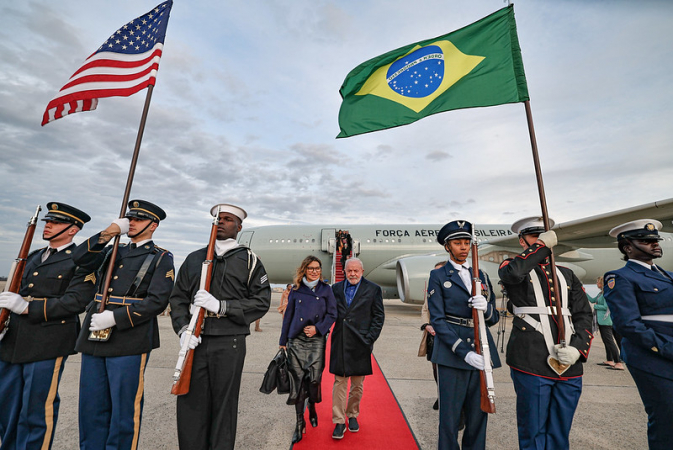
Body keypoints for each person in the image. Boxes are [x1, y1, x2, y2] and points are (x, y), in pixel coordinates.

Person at [72, 199, 175, 450]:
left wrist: (115, 318)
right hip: (94, 332)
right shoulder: (111, 249)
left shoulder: (161, 257)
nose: (131, 223)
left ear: (153, 225)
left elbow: (157, 302)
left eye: (137, 219)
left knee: (123, 410)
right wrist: (107, 233)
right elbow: (80, 259)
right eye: (129, 219)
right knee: (91, 406)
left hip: (129, 337)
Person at [169, 203, 271, 450]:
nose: (221, 222)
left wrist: (222, 306)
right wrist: (183, 330)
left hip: (230, 340)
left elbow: (261, 301)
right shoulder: (195, 259)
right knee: (190, 404)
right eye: (217, 219)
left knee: (223, 407)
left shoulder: (249, 260)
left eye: (227, 219)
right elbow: (178, 298)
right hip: (196, 339)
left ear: (239, 226)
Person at [0, 202, 95, 450]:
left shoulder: (81, 261)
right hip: (13, 340)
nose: (48, 225)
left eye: (55, 222)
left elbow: (77, 301)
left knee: (36, 409)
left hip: (47, 342)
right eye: (47, 221)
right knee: (7, 408)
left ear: (73, 229)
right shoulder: (32, 257)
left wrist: (27, 307)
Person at [498, 217, 593, 450]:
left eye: (545, 236)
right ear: (522, 241)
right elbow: (512, 275)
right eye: (534, 236)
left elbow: (583, 315)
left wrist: (578, 349)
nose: (541, 240)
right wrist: (540, 246)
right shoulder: (512, 266)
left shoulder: (567, 274)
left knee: (561, 430)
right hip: (531, 359)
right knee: (533, 429)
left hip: (569, 361)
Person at [427, 220, 501, 450]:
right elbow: (438, 320)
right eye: (457, 243)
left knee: (479, 415)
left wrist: (486, 308)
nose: (463, 247)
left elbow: (494, 318)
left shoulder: (482, 275)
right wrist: (464, 352)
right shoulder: (438, 276)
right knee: (449, 417)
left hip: (482, 348)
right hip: (453, 354)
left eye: (466, 242)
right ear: (447, 247)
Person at [603, 219, 673, 450]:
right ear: (627, 247)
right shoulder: (620, 277)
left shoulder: (667, 275)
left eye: (655, 240)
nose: (654, 245)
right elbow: (628, 325)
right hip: (653, 357)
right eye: (646, 241)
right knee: (666, 420)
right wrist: (666, 348)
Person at [279, 256, 337, 443]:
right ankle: (299, 424)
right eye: (311, 268)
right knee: (297, 384)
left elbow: (332, 313)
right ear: (304, 270)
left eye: (317, 268)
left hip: (316, 340)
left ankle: (312, 405)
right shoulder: (296, 291)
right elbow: (288, 316)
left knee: (314, 380)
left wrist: (318, 328)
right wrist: (283, 340)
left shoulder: (326, 290)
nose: (314, 271)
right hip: (296, 340)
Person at [329, 257, 385, 440]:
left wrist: (369, 339)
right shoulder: (335, 289)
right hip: (341, 340)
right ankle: (338, 420)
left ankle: (352, 414)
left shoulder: (373, 289)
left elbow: (378, 317)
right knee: (339, 382)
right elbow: (329, 312)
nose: (352, 274)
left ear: (362, 271)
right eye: (349, 271)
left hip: (361, 343)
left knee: (357, 385)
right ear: (344, 271)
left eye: (356, 271)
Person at [419, 261, 446, 411]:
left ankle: (448, 397)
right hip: (433, 335)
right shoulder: (432, 290)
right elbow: (425, 309)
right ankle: (441, 395)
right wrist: (427, 325)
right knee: (435, 369)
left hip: (447, 335)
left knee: (447, 369)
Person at [587, 276, 624, 370]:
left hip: (605, 320)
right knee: (606, 341)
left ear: (602, 284)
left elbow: (606, 307)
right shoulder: (601, 294)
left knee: (609, 342)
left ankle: (618, 362)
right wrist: (584, 292)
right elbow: (592, 300)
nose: (596, 284)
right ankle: (610, 360)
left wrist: (595, 307)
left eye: (597, 282)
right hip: (602, 320)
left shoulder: (606, 294)